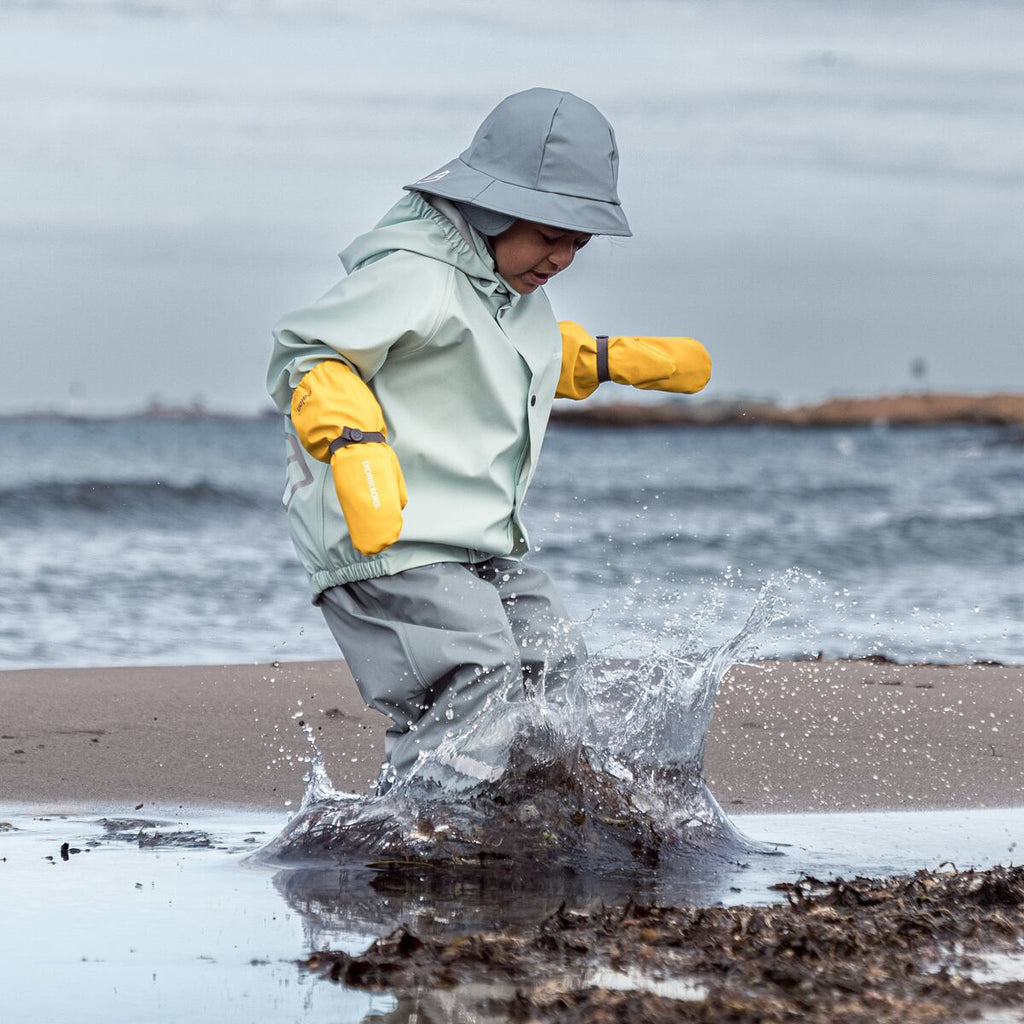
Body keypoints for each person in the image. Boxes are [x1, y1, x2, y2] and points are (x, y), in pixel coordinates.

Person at [267, 88, 711, 793]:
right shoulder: (414, 274)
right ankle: (421, 824)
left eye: (578, 242)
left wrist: (599, 358)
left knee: (553, 659)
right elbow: (311, 354)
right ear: (492, 208)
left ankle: (536, 806)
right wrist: (351, 442)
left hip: (471, 538)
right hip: (387, 538)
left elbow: (493, 359)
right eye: (550, 235)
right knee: (475, 670)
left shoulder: (510, 290)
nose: (563, 258)